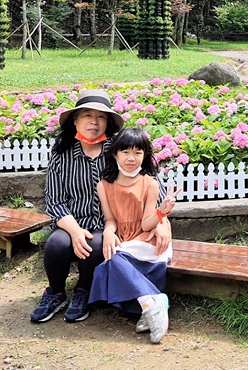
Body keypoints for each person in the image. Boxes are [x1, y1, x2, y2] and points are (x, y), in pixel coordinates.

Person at [30, 89, 172, 323]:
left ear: (108, 123)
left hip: (109, 225)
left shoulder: (118, 151)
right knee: (56, 244)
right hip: (72, 222)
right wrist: (74, 231)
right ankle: (55, 293)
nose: (94, 122)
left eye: (101, 117)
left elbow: (153, 190)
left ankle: (83, 292)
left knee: (97, 245)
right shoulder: (61, 155)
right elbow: (54, 202)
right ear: (75, 120)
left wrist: (162, 224)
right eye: (87, 115)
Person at [89, 128, 179, 343]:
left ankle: (149, 304)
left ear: (145, 156)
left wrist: (162, 212)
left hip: (147, 240)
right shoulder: (104, 185)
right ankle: (154, 302)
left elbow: (147, 225)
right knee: (112, 255)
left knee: (113, 260)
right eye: (126, 152)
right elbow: (110, 220)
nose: (131, 158)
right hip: (125, 240)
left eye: (138, 153)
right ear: (115, 154)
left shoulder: (150, 183)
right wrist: (109, 233)